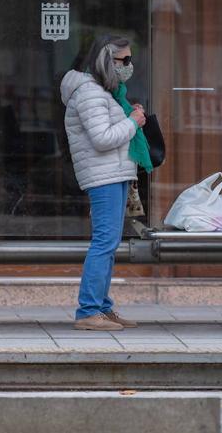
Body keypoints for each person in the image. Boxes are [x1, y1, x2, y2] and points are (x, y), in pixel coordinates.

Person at [60, 36, 149, 331]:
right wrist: (133, 121)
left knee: (109, 243)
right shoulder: (89, 93)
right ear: (106, 61)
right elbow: (102, 139)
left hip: (113, 173)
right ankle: (88, 311)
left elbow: (109, 129)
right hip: (103, 175)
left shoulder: (103, 93)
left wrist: (128, 114)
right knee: (104, 242)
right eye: (124, 60)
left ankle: (102, 307)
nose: (129, 66)